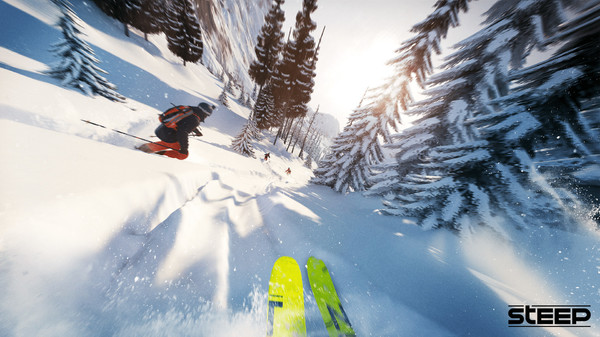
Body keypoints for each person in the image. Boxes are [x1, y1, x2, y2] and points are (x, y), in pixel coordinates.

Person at [137, 102, 215, 159]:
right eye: (207, 115)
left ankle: (145, 148)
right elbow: (182, 133)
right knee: (183, 155)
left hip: (163, 129)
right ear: (204, 113)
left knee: (172, 144)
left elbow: (183, 123)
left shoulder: (190, 110)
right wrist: (184, 148)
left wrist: (196, 131)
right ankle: (153, 153)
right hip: (168, 135)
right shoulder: (195, 120)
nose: (206, 117)